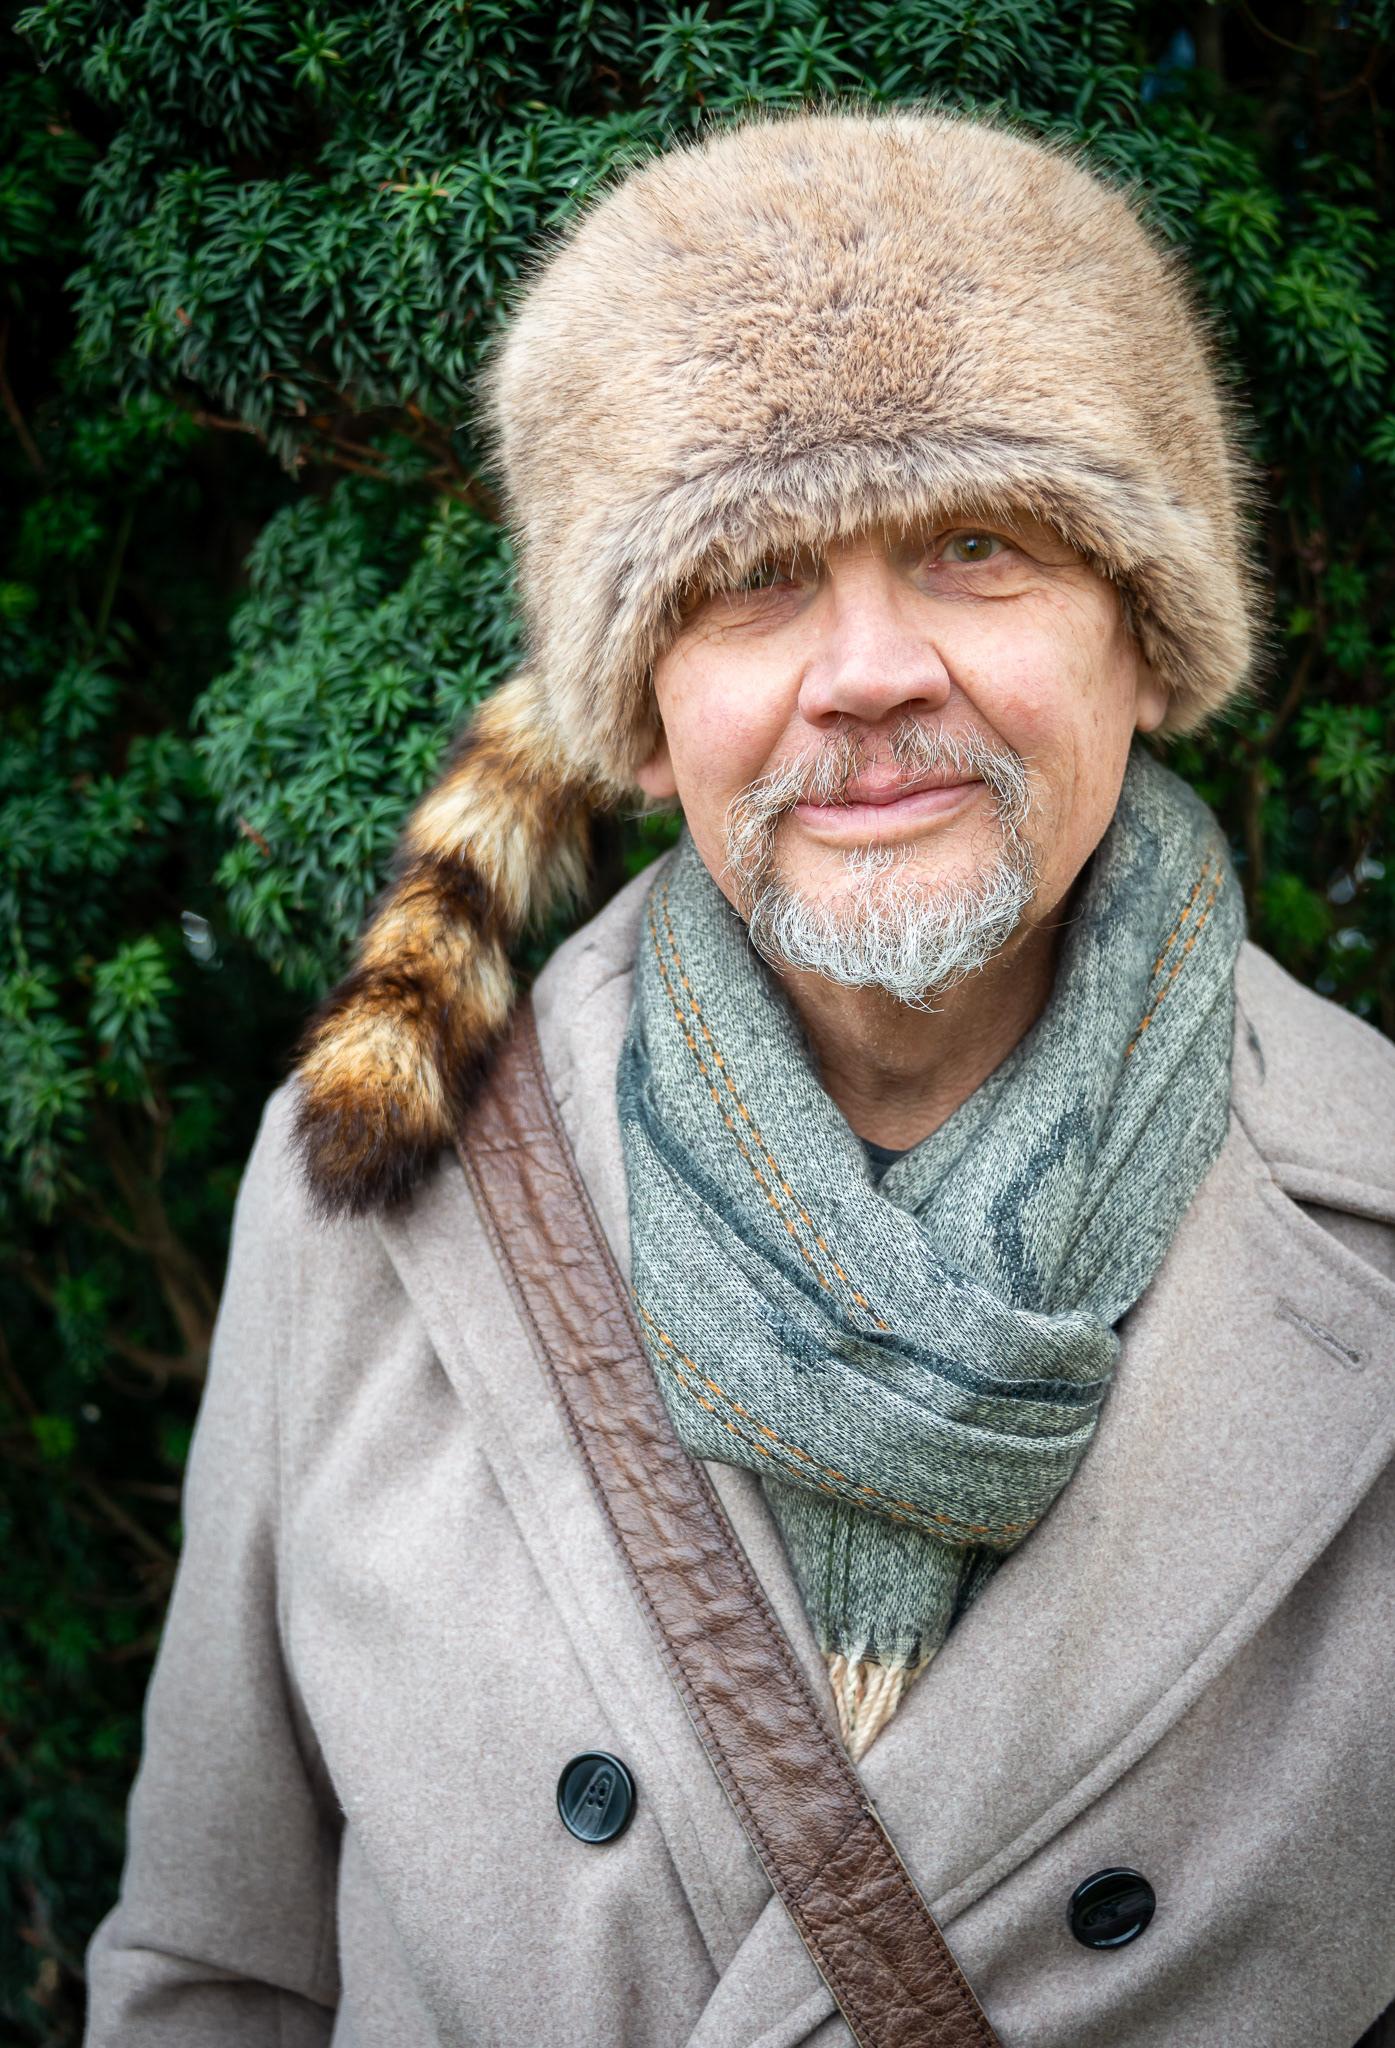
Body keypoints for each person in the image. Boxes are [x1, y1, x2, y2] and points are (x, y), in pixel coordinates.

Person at [85, 112, 1395, 2048]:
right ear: (636, 707)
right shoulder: (369, 1182)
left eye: (977, 546)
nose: (866, 668)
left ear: (1145, 635)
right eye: (749, 578)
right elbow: (216, 1966)